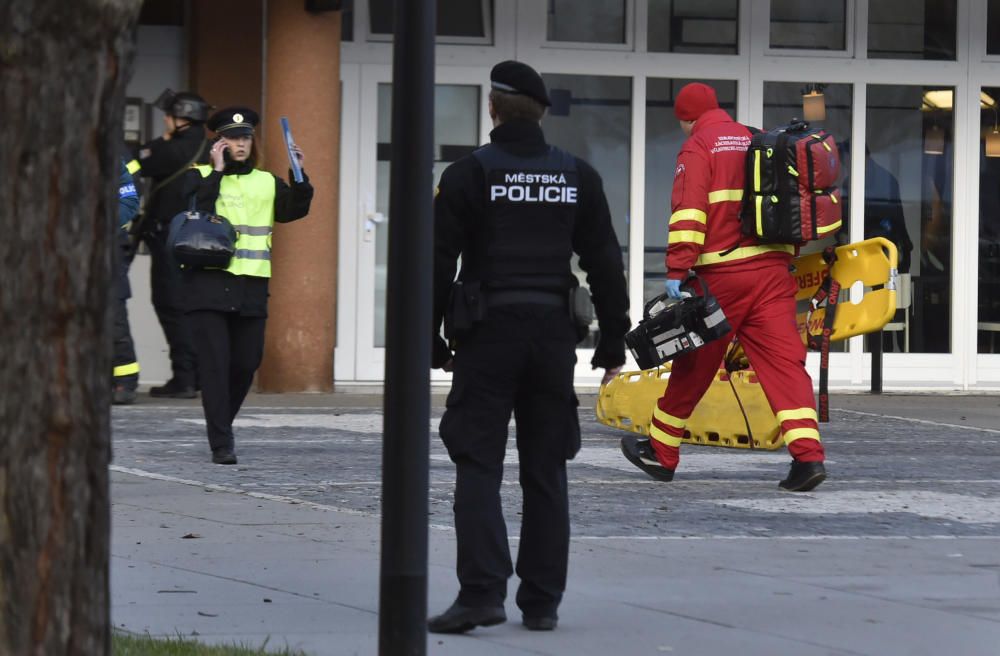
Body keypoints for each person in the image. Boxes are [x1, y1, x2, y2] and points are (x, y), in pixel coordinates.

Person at [427, 61, 630, 634]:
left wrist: (429, 341)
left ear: (493, 108)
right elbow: (604, 261)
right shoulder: (577, 175)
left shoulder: (468, 174)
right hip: (550, 338)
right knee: (545, 469)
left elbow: (438, 262)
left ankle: (481, 594)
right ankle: (541, 602)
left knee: (477, 461)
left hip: (487, 336)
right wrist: (613, 338)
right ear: (542, 111)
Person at [619, 82, 827, 492]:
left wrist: (677, 270)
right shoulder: (756, 137)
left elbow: (689, 214)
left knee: (694, 361)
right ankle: (808, 457)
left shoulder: (700, 146)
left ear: (686, 118)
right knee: (784, 364)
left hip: (724, 277)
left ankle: (661, 451)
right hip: (772, 273)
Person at [179, 107, 313, 464]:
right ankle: (221, 443)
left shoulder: (267, 181)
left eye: (245, 137)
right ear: (218, 142)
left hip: (251, 285)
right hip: (207, 285)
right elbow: (194, 210)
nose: (240, 143)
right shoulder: (200, 175)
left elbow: (294, 210)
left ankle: (222, 423)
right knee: (215, 365)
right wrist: (217, 174)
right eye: (232, 138)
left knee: (245, 362)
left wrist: (299, 175)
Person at [128, 90, 212, 398]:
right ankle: (200, 375)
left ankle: (184, 378)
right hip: (202, 242)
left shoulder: (171, 150)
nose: (165, 120)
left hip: (170, 239)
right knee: (194, 308)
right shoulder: (212, 148)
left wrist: (160, 141)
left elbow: (135, 164)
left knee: (170, 305)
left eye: (170, 116)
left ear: (182, 119)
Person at [112, 159, 141, 404]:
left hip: (107, 249)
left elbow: (129, 201)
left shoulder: (110, 156)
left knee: (114, 319)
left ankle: (125, 380)